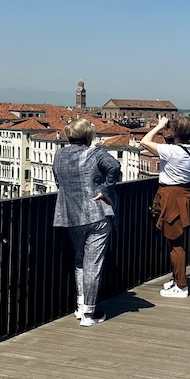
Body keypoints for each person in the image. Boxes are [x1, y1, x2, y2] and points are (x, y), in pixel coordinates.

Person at [52, 118, 121, 327]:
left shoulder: (59, 154)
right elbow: (114, 167)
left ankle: (81, 305)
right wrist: (104, 190)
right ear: (88, 135)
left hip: (70, 214)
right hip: (97, 214)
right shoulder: (95, 152)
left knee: (80, 260)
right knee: (93, 264)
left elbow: (57, 180)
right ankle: (89, 313)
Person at [141, 116, 190, 299]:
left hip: (172, 198)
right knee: (176, 241)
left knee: (175, 243)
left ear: (175, 133)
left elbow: (144, 141)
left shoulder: (170, 151)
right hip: (189, 196)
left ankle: (182, 286)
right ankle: (177, 278)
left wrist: (160, 126)